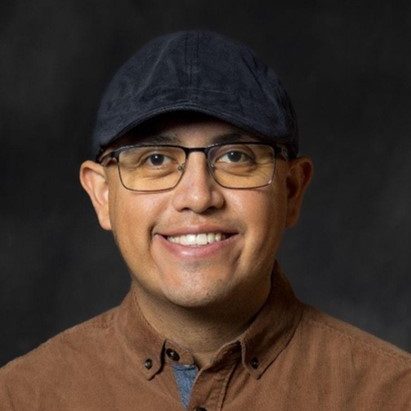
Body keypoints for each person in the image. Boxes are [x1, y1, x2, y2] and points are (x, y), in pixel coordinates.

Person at [0, 30, 409, 410]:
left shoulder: (392, 394)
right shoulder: (22, 396)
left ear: (290, 191)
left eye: (236, 157)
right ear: (103, 195)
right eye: (156, 159)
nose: (197, 197)